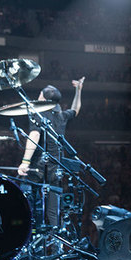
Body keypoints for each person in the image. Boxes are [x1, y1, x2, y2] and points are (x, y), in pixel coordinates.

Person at [17, 79, 85, 226]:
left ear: (44, 98)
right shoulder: (61, 116)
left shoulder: (38, 115)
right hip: (56, 167)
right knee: (53, 211)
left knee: (27, 202)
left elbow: (34, 135)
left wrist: (25, 162)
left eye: (40, 94)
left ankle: (28, 233)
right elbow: (75, 110)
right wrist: (78, 90)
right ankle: (56, 238)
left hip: (38, 166)